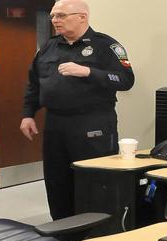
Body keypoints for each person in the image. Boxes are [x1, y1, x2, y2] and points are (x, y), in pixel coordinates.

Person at [19, 0, 134, 220]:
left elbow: (126, 80)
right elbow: (34, 84)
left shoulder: (106, 46)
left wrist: (89, 72)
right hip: (55, 123)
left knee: (95, 181)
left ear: (82, 17)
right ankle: (63, 230)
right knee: (56, 180)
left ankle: (96, 234)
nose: (55, 20)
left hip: (92, 124)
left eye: (61, 16)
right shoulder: (48, 47)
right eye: (53, 16)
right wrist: (28, 114)